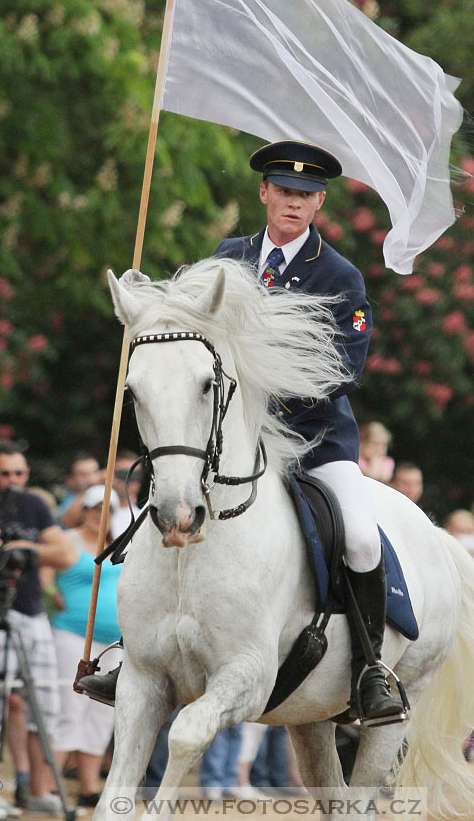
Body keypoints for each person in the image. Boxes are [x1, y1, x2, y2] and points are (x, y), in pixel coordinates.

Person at [79, 140, 404, 726]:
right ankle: (135, 648)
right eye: (284, 191)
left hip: (311, 439)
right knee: (166, 503)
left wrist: (260, 386)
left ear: (319, 202)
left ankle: (370, 667)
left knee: (359, 538)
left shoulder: (339, 276)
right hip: (225, 438)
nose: (293, 202)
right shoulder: (228, 257)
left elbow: (345, 368)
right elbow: (191, 332)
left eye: (305, 195)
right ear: (264, 193)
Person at [0, 441, 76, 814]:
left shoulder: (36, 505)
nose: (13, 480)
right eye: (5, 473)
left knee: (45, 709)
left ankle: (39, 791)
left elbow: (65, 554)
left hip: (34, 615)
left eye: (19, 473)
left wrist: (19, 546)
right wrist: (31, 550)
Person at [52, 485, 122, 807]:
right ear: (84, 509)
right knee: (71, 710)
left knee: (101, 715)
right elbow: (42, 563)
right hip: (75, 635)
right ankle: (50, 787)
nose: (100, 514)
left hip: (112, 642)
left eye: (107, 508)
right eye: (95, 507)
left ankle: (89, 787)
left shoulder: (120, 544)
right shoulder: (67, 539)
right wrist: (50, 589)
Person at [58, 453, 101, 528]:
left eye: (95, 472)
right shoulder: (66, 506)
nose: (91, 479)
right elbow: (67, 523)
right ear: (69, 480)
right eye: (83, 474)